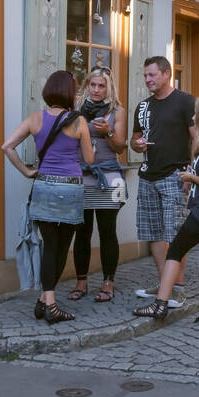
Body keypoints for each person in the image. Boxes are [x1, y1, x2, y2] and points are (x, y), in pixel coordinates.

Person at [1, 70, 94, 323]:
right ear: (69, 93)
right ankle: (52, 305)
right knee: (61, 248)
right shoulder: (78, 122)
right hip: (70, 188)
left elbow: (6, 146)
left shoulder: (35, 119)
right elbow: (89, 159)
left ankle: (44, 299)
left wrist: (27, 171)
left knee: (48, 246)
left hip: (43, 186)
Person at [135, 97, 199, 324]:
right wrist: (194, 177)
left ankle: (160, 305)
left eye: (196, 113)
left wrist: (190, 177)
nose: (193, 117)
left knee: (174, 252)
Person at [131, 56, 197, 308]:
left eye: (152, 75)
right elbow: (134, 141)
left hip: (175, 175)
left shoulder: (184, 101)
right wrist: (135, 145)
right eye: (145, 75)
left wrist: (191, 172)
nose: (147, 80)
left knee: (176, 234)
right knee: (154, 234)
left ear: (166, 74)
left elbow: (196, 138)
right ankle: (164, 284)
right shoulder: (143, 107)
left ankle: (177, 288)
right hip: (148, 176)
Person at [68, 67, 127, 303]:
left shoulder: (117, 111)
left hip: (108, 176)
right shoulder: (77, 109)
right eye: (92, 85)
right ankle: (81, 283)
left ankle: (107, 283)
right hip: (82, 175)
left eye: (101, 86)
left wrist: (109, 132)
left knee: (107, 231)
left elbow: (121, 147)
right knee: (82, 232)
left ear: (109, 87)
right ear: (87, 85)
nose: (96, 90)